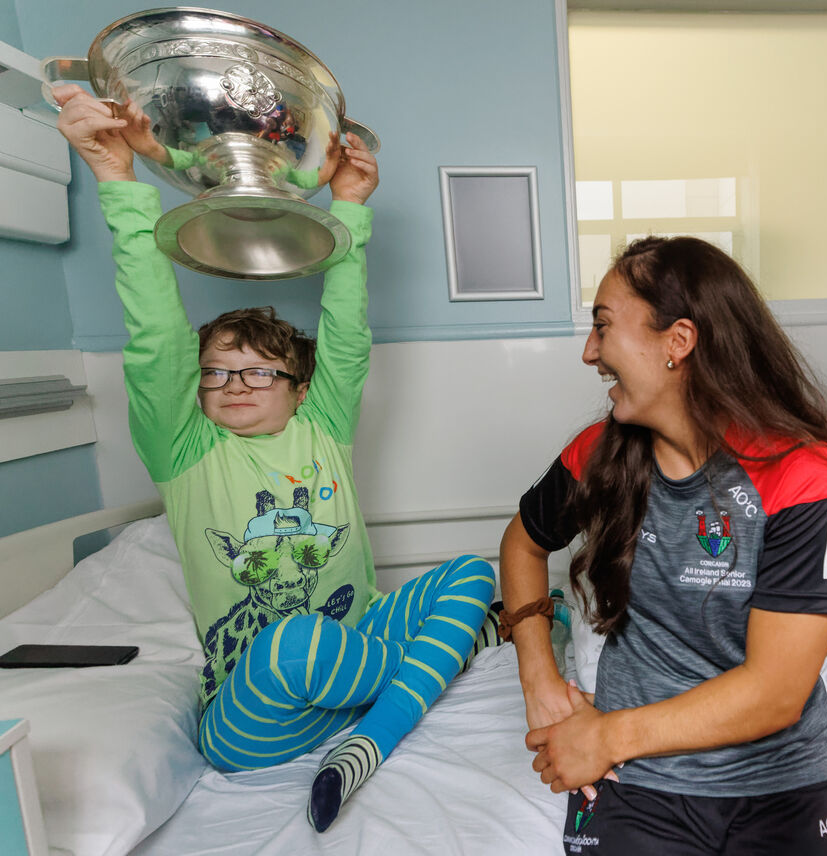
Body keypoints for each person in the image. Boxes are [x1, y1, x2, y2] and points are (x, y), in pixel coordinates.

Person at [53, 86, 497, 833]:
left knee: (475, 570)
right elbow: (156, 337)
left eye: (260, 371)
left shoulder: (322, 428)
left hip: (353, 651)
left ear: (299, 389)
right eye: (217, 371)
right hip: (254, 716)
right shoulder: (186, 450)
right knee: (292, 642)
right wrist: (118, 181)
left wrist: (351, 203)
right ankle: (436, 665)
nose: (234, 384)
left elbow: (346, 330)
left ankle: (364, 742)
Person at [500, 235, 827, 855]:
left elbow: (774, 692)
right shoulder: (599, 455)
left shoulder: (809, 479)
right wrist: (538, 676)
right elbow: (522, 544)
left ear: (678, 342)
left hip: (781, 789)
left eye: (604, 327)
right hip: (642, 786)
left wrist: (605, 737)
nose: (591, 352)